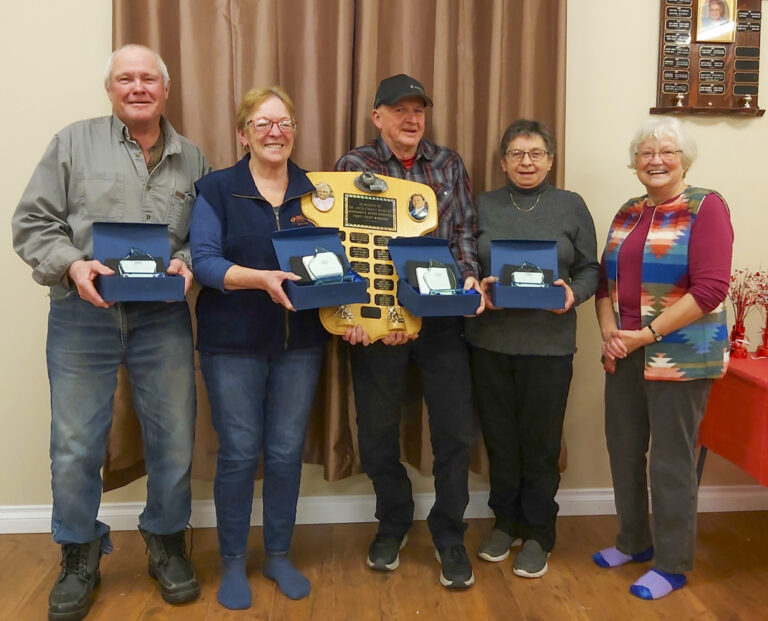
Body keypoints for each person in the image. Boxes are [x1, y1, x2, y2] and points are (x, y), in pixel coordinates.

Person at [12, 44, 209, 620]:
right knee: (75, 444)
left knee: (174, 436)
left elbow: (205, 236)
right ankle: (79, 552)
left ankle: (167, 542)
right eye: (126, 78)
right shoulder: (72, 143)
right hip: (83, 314)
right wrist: (73, 264)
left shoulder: (192, 158)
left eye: (149, 78)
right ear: (111, 89)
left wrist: (190, 262)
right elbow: (31, 222)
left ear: (165, 89)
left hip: (162, 318)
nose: (138, 87)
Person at [335, 73, 483, 589]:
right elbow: (345, 246)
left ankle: (449, 533)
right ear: (378, 116)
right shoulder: (354, 167)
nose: (411, 118)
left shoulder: (448, 163)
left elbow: (464, 232)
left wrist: (467, 279)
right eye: (399, 109)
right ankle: (394, 520)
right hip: (376, 324)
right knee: (376, 436)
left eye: (418, 109)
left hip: (441, 322)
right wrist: (356, 317)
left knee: (454, 435)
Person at [189, 87, 327, 610]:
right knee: (241, 453)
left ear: (294, 130)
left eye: (285, 122)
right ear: (242, 132)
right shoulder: (217, 189)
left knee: (287, 452)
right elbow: (203, 262)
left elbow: (340, 259)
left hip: (301, 345)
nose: (276, 132)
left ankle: (277, 554)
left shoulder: (317, 191)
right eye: (263, 123)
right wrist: (259, 279)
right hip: (232, 346)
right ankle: (231, 562)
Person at [592, 117, 732, 600]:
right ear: (635, 164)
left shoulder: (705, 206)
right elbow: (602, 279)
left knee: (670, 464)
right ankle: (633, 542)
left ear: (684, 160)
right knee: (624, 452)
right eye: (646, 153)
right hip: (624, 353)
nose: (655, 160)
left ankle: (672, 564)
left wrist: (644, 335)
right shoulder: (628, 211)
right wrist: (611, 332)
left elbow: (711, 290)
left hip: (680, 358)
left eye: (666, 152)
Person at [465, 119, 599, 578]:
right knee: (500, 441)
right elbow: (465, 258)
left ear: (550, 160)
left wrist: (572, 295)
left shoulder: (571, 206)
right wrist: (476, 285)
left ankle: (539, 531)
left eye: (536, 153)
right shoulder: (482, 204)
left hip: (549, 346)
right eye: (517, 154)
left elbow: (591, 270)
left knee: (541, 445)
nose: (527, 162)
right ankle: (505, 523)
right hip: (489, 345)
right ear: (502, 162)